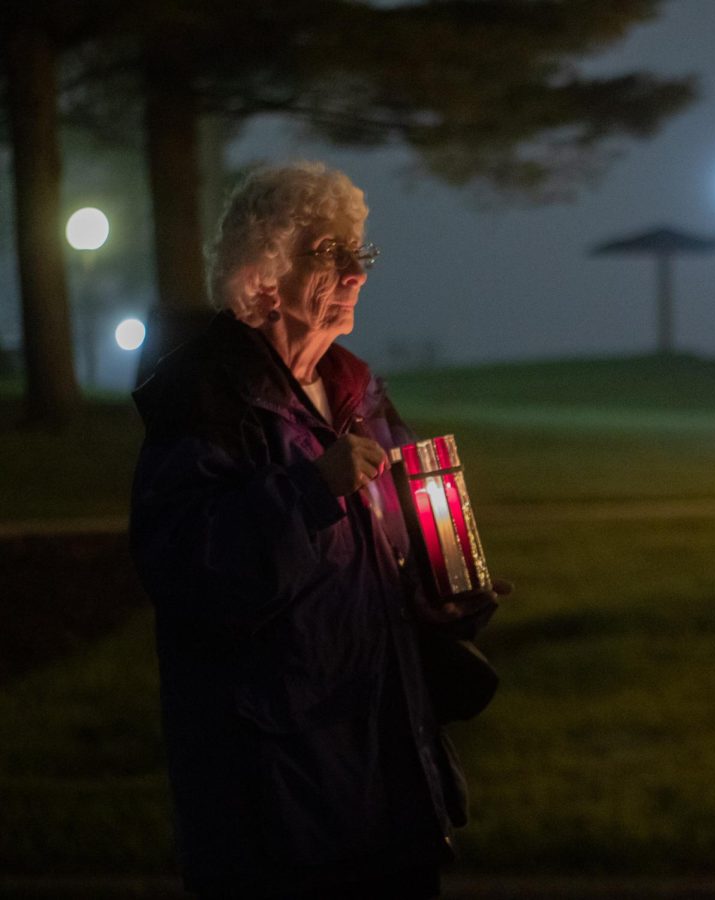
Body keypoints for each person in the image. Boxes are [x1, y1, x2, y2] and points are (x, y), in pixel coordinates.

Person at [129, 161, 507, 899]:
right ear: (263, 275)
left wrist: (448, 598)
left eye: (358, 253)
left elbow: (399, 555)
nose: (356, 273)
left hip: (386, 782)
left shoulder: (357, 394)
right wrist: (309, 491)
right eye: (329, 254)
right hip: (275, 804)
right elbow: (188, 572)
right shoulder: (206, 403)